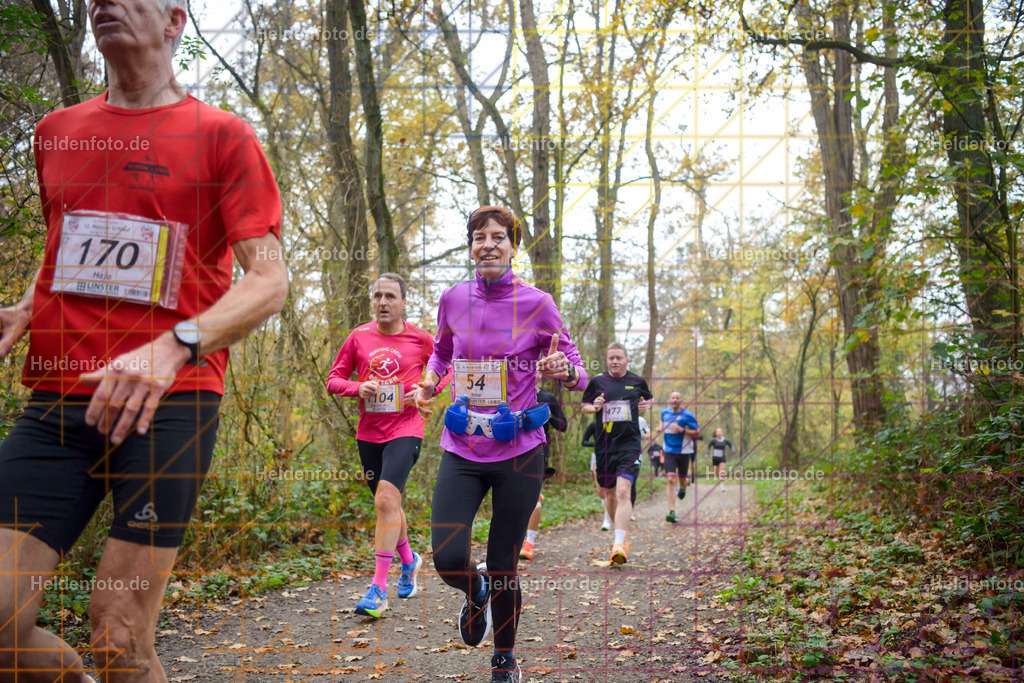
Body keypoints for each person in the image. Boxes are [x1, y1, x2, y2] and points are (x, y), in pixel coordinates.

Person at [0, 0, 289, 679]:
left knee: (119, 636)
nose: (104, 2)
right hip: (59, 402)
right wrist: (24, 308)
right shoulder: (57, 132)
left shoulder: (222, 135)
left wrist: (175, 343)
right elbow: (71, 250)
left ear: (174, 21)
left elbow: (269, 280)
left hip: (172, 403)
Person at [414, 206, 588, 683]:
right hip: (462, 446)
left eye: (498, 237)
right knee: (449, 556)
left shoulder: (538, 303)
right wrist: (430, 380)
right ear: (470, 245)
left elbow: (576, 367)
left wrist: (565, 372)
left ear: (513, 247)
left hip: (520, 451)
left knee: (503, 562)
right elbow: (441, 350)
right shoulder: (452, 298)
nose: (487, 244)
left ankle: (504, 659)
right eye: (478, 237)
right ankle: (475, 592)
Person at [326, 273, 449, 618]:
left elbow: (446, 370)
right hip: (369, 433)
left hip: (407, 427)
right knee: (388, 504)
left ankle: (378, 588)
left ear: (403, 302)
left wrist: (427, 389)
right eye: (378, 296)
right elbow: (333, 379)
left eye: (390, 296)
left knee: (385, 499)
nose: (382, 302)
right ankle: (409, 561)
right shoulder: (358, 337)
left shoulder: (421, 338)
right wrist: (357, 388)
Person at [581, 343, 653, 565]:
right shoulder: (597, 382)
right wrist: (595, 407)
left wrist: (646, 406)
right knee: (609, 495)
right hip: (604, 447)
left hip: (629, 445)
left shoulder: (637, 381)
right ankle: (619, 537)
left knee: (623, 492)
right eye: (611, 358)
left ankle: (619, 543)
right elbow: (584, 406)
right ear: (607, 360)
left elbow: (648, 399)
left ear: (626, 360)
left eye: (618, 358)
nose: (614, 361)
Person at [519, 376, 568, 561]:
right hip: (510, 449)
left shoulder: (547, 397)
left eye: (537, 366)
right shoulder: (509, 393)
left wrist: (549, 415)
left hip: (538, 449)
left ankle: (529, 542)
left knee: (533, 495)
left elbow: (563, 425)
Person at [657, 391, 701, 523]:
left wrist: (682, 430)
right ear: (670, 400)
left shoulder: (687, 415)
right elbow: (662, 421)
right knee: (670, 479)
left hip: (684, 451)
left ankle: (683, 487)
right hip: (668, 450)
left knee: (682, 480)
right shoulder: (665, 413)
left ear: (681, 401)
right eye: (673, 398)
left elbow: (697, 433)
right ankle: (671, 511)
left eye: (677, 398)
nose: (675, 400)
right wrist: (660, 427)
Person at [582, 418, 614, 531]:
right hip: (597, 457)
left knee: (608, 491)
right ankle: (606, 504)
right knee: (601, 492)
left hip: (613, 457)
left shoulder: (615, 423)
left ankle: (606, 520)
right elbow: (584, 441)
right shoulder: (594, 424)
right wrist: (597, 444)